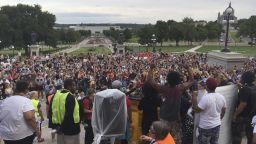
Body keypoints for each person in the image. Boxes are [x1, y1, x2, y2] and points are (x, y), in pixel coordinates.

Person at [147, 64, 194, 144]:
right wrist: (188, 68)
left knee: (162, 139)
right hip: (175, 118)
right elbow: (191, 80)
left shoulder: (163, 88)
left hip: (164, 118)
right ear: (178, 80)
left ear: (168, 79)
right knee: (177, 140)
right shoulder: (180, 88)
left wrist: (151, 69)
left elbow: (150, 80)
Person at [192, 77, 226, 144]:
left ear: (207, 87)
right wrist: (219, 119)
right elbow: (224, 110)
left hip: (205, 127)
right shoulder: (221, 97)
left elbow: (196, 110)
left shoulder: (206, 98)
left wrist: (194, 97)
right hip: (216, 125)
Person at [49, 79, 80, 144]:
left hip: (59, 128)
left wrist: (55, 127)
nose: (75, 87)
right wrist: (62, 128)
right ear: (69, 86)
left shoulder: (55, 96)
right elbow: (68, 115)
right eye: (74, 85)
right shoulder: (70, 97)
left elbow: (51, 112)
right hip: (71, 130)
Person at [232, 71, 256, 144]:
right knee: (250, 136)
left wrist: (235, 115)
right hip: (252, 117)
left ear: (245, 78)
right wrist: (241, 87)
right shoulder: (254, 88)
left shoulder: (245, 89)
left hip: (243, 117)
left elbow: (243, 104)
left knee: (237, 136)